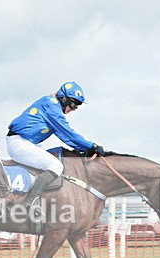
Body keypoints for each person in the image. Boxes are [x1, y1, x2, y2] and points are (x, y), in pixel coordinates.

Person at [6, 81, 105, 226]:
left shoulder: (54, 107)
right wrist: (92, 146)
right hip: (19, 143)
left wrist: (84, 149)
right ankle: (30, 203)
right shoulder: (51, 105)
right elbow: (67, 132)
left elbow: (63, 136)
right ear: (63, 98)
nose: (73, 109)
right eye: (72, 105)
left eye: (76, 107)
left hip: (27, 143)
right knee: (56, 166)